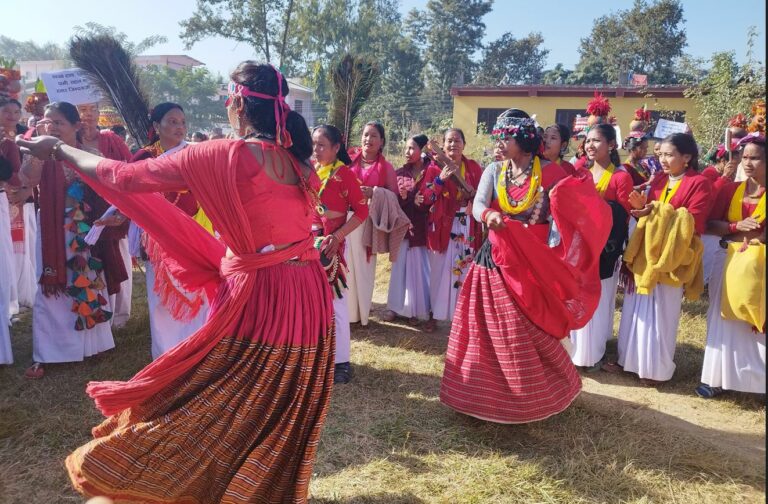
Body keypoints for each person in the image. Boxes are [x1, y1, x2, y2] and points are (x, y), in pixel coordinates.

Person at [18, 62, 333, 502]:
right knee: (277, 405)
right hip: (310, 297)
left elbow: (122, 177)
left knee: (214, 396)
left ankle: (166, 478)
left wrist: (60, 149)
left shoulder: (219, 154)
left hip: (262, 298)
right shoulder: (296, 162)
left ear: (237, 104)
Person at [439, 109, 611, 423]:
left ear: (523, 139)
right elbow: (478, 204)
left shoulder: (551, 173)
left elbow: (573, 208)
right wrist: (487, 215)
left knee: (529, 328)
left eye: (505, 137)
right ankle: (481, 397)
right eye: (498, 137)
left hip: (534, 261)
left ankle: (534, 396)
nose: (499, 143)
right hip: (495, 257)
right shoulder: (494, 170)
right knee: (487, 328)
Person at [19, 103, 119, 379]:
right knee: (52, 285)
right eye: (47, 121)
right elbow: (28, 179)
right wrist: (38, 150)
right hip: (53, 230)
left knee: (90, 279)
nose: (51, 126)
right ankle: (48, 353)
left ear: (76, 126)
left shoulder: (90, 154)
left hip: (88, 229)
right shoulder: (38, 152)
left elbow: (109, 186)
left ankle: (93, 345)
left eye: (58, 122)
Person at [608, 133, 713, 385]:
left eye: (669, 155)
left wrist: (653, 210)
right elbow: (647, 216)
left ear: (686, 157)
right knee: (635, 309)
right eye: (661, 154)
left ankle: (656, 370)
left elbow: (693, 221)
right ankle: (628, 361)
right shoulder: (658, 181)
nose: (663, 160)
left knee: (663, 312)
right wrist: (642, 210)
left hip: (671, 258)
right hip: (646, 255)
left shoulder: (699, 183)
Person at [130, 103, 212, 360]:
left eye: (183, 122)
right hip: (159, 237)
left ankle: (195, 349)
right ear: (156, 126)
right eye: (173, 121)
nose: (180, 127)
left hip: (193, 233)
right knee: (162, 299)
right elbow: (131, 193)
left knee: (197, 292)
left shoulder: (193, 154)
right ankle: (167, 356)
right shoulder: (144, 157)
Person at [696, 133, 765, 398]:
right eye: (744, 157)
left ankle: (758, 382)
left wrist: (758, 237)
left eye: (755, 158)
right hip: (727, 260)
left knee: (756, 318)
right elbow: (709, 225)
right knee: (721, 317)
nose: (747, 163)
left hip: (760, 265)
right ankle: (716, 379)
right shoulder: (729, 190)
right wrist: (736, 227)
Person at [569, 124, 633, 371]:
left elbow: (624, 216)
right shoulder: (580, 172)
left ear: (612, 145)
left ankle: (592, 352)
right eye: (588, 141)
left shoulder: (620, 177)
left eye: (596, 141)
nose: (590, 145)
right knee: (577, 296)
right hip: (578, 246)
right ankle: (575, 350)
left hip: (604, 249)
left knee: (598, 298)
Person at [311, 124, 368, 383]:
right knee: (311, 303)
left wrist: (338, 236)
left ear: (336, 148)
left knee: (336, 303)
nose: (316, 149)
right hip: (306, 246)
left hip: (331, 248)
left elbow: (362, 211)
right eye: (314, 144)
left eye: (322, 145)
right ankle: (315, 357)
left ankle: (341, 362)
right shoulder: (310, 171)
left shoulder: (344, 175)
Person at [76, 101, 133, 329]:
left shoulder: (111, 140)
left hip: (113, 209)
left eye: (93, 109)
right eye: (82, 110)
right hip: (82, 210)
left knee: (118, 257)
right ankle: (97, 313)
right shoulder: (69, 142)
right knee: (89, 259)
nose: (88, 114)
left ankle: (119, 315)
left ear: (99, 113)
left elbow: (129, 169)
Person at [423, 128, 482, 322]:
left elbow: (483, 195)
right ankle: (435, 313)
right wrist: (440, 180)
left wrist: (473, 200)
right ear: (442, 145)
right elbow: (427, 198)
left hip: (467, 224)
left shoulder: (473, 168)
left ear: (464, 144)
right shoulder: (434, 168)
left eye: (457, 140)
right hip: (442, 225)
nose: (453, 144)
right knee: (439, 269)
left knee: (463, 267)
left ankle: (461, 315)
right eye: (449, 141)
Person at [345, 121, 397, 326]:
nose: (368, 139)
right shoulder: (348, 159)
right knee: (346, 267)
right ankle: (347, 314)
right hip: (345, 221)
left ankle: (361, 314)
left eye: (374, 135)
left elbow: (394, 197)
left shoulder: (386, 167)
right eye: (366, 134)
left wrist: (374, 192)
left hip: (368, 223)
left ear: (381, 141)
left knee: (364, 268)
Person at [382, 134, 435, 331]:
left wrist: (420, 200)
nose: (407, 152)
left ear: (422, 150)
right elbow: (393, 199)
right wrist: (406, 198)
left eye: (412, 148)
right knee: (399, 268)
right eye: (406, 148)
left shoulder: (432, 171)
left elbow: (435, 195)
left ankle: (416, 310)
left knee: (419, 270)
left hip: (423, 228)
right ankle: (395, 307)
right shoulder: (399, 173)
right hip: (403, 228)